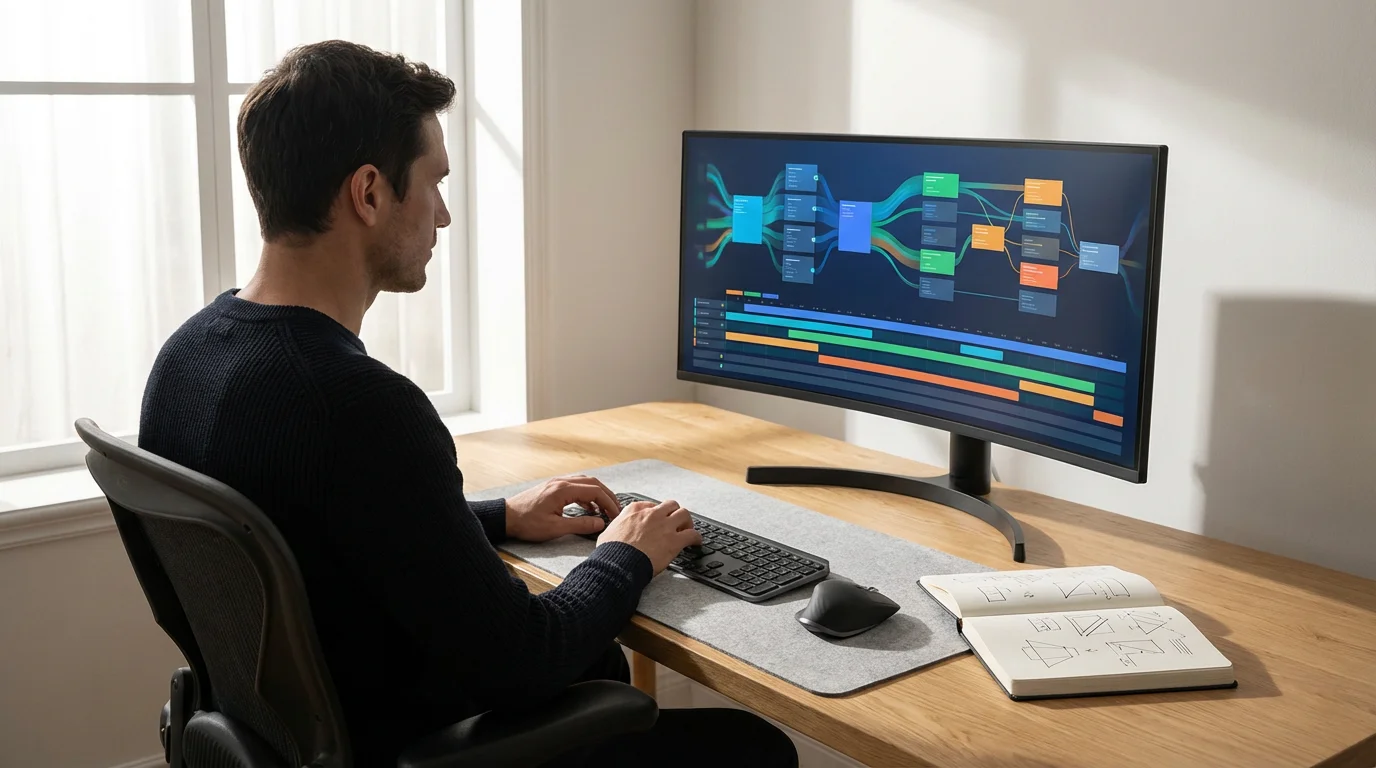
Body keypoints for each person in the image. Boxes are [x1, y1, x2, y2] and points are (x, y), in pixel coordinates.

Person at [137, 40, 797, 767]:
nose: (444, 216)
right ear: (368, 192)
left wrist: (499, 517)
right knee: (751, 746)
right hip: (414, 741)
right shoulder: (360, 406)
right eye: (434, 182)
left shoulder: (187, 359)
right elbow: (526, 659)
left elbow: (313, 533)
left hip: (293, 734)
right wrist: (626, 556)